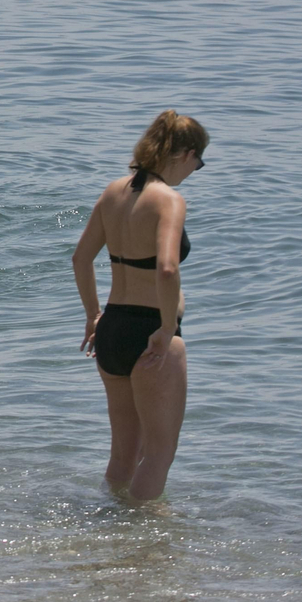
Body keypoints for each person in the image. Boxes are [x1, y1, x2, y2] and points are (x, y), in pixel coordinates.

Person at [71, 109, 209, 504]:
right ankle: (137, 533)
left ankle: (110, 518)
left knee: (123, 454)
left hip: (112, 329)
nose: (196, 170)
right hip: (151, 332)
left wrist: (92, 316)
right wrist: (166, 329)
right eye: (199, 161)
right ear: (186, 153)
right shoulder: (169, 200)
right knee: (159, 454)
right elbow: (167, 268)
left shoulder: (113, 192)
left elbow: (80, 259)